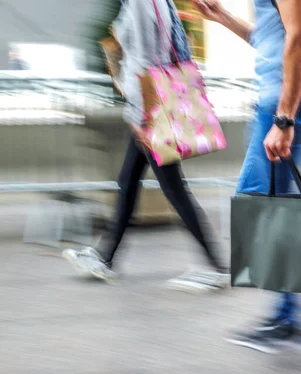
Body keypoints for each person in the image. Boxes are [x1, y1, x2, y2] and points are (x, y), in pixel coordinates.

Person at [191, 0, 301, 352]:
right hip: (277, 101)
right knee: (274, 204)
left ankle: (288, 316)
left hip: (284, 104)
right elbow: (274, 38)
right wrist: (223, 17)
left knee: (256, 204)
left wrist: (284, 119)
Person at [62, 0, 230, 292]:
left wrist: (139, 118)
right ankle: (106, 257)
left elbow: (144, 60)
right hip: (156, 103)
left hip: (150, 109)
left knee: (174, 189)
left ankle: (216, 265)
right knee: (128, 182)